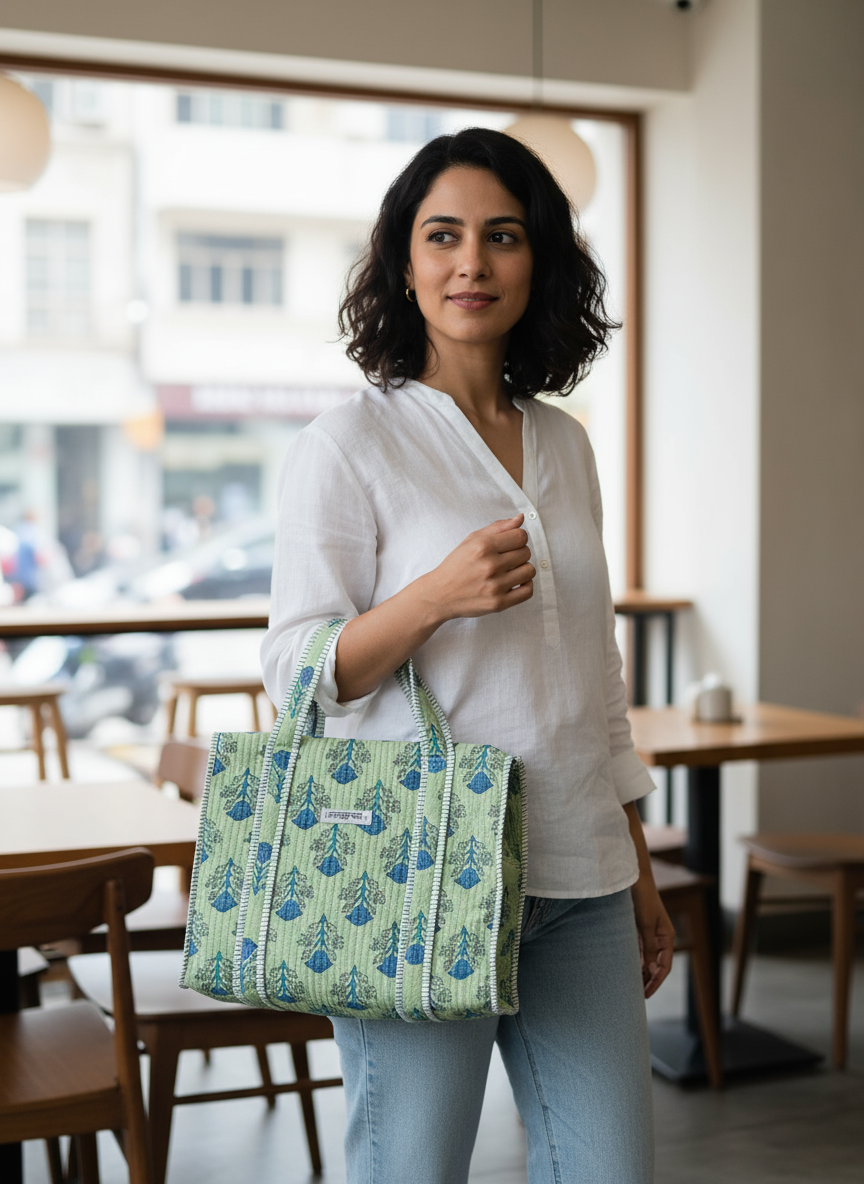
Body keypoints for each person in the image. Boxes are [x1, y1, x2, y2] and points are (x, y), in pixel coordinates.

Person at [261, 127, 673, 1184]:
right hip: (417, 873)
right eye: (442, 236)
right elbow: (300, 673)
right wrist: (436, 596)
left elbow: (593, 669)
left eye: (502, 236)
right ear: (406, 261)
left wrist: (636, 859)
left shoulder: (565, 442)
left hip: (579, 871)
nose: (472, 263)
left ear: (540, 262)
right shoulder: (349, 443)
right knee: (414, 1170)